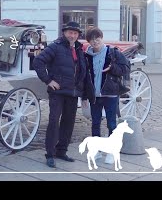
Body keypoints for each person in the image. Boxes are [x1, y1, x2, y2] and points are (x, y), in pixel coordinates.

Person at [33, 21, 87, 168]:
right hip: (58, 91)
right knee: (53, 122)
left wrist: (84, 93)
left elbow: (83, 72)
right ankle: (50, 154)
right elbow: (38, 61)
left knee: (68, 123)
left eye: (75, 33)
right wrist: (48, 80)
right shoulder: (55, 47)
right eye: (70, 32)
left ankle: (61, 151)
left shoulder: (79, 49)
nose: (73, 35)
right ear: (64, 32)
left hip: (73, 92)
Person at [81, 27, 130, 164]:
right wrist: (84, 96)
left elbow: (125, 68)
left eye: (98, 38)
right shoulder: (87, 56)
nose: (95, 41)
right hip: (95, 96)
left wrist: (112, 68)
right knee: (95, 123)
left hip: (110, 94)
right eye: (92, 39)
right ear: (89, 41)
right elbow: (85, 78)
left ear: (102, 38)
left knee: (111, 123)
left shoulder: (112, 53)